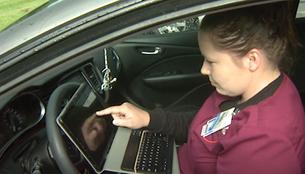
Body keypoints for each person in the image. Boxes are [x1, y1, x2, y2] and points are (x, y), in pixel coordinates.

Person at [96, 2, 305, 174]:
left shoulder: (264, 144)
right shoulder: (243, 89)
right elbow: (203, 126)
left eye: (211, 61)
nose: (203, 70)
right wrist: (147, 119)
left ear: (252, 60)